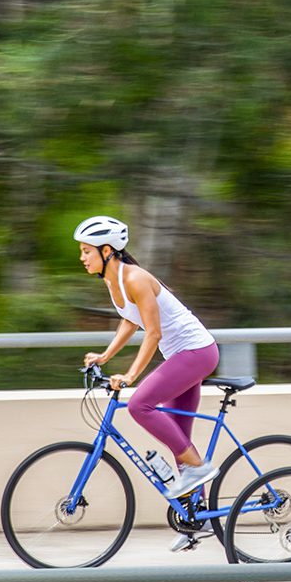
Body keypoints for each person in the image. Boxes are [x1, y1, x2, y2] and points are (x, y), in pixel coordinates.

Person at [74, 216, 221, 550]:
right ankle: (199, 522)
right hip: (182, 356)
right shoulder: (114, 282)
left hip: (196, 352)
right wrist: (106, 357)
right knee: (178, 438)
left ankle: (198, 468)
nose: (82, 257)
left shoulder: (136, 278)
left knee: (141, 405)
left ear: (107, 250)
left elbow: (152, 332)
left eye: (86, 251)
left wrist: (130, 376)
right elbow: (131, 319)